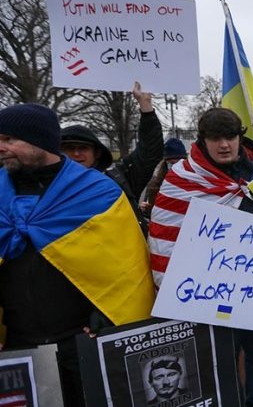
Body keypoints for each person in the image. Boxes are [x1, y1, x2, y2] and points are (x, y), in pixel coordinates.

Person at [0, 103, 155, 406]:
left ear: (39, 140)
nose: (1, 147)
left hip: (81, 342)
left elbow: (127, 266)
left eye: (8, 139)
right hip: (15, 343)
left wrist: (106, 317)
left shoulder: (98, 191)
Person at [148, 108, 253, 406]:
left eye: (230, 137)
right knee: (222, 361)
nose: (224, 144)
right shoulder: (182, 179)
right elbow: (166, 237)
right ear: (203, 140)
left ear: (240, 138)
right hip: (213, 295)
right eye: (215, 138)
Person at [61, 81, 164, 234]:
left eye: (83, 148)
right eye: (70, 148)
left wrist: (146, 106)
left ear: (96, 153)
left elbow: (150, 151)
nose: (76, 153)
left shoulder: (118, 179)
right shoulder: (48, 186)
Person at [139, 138, 188, 217]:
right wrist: (144, 210)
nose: (175, 167)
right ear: (165, 164)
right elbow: (151, 214)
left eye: (179, 163)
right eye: (171, 163)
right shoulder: (154, 186)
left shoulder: (194, 181)